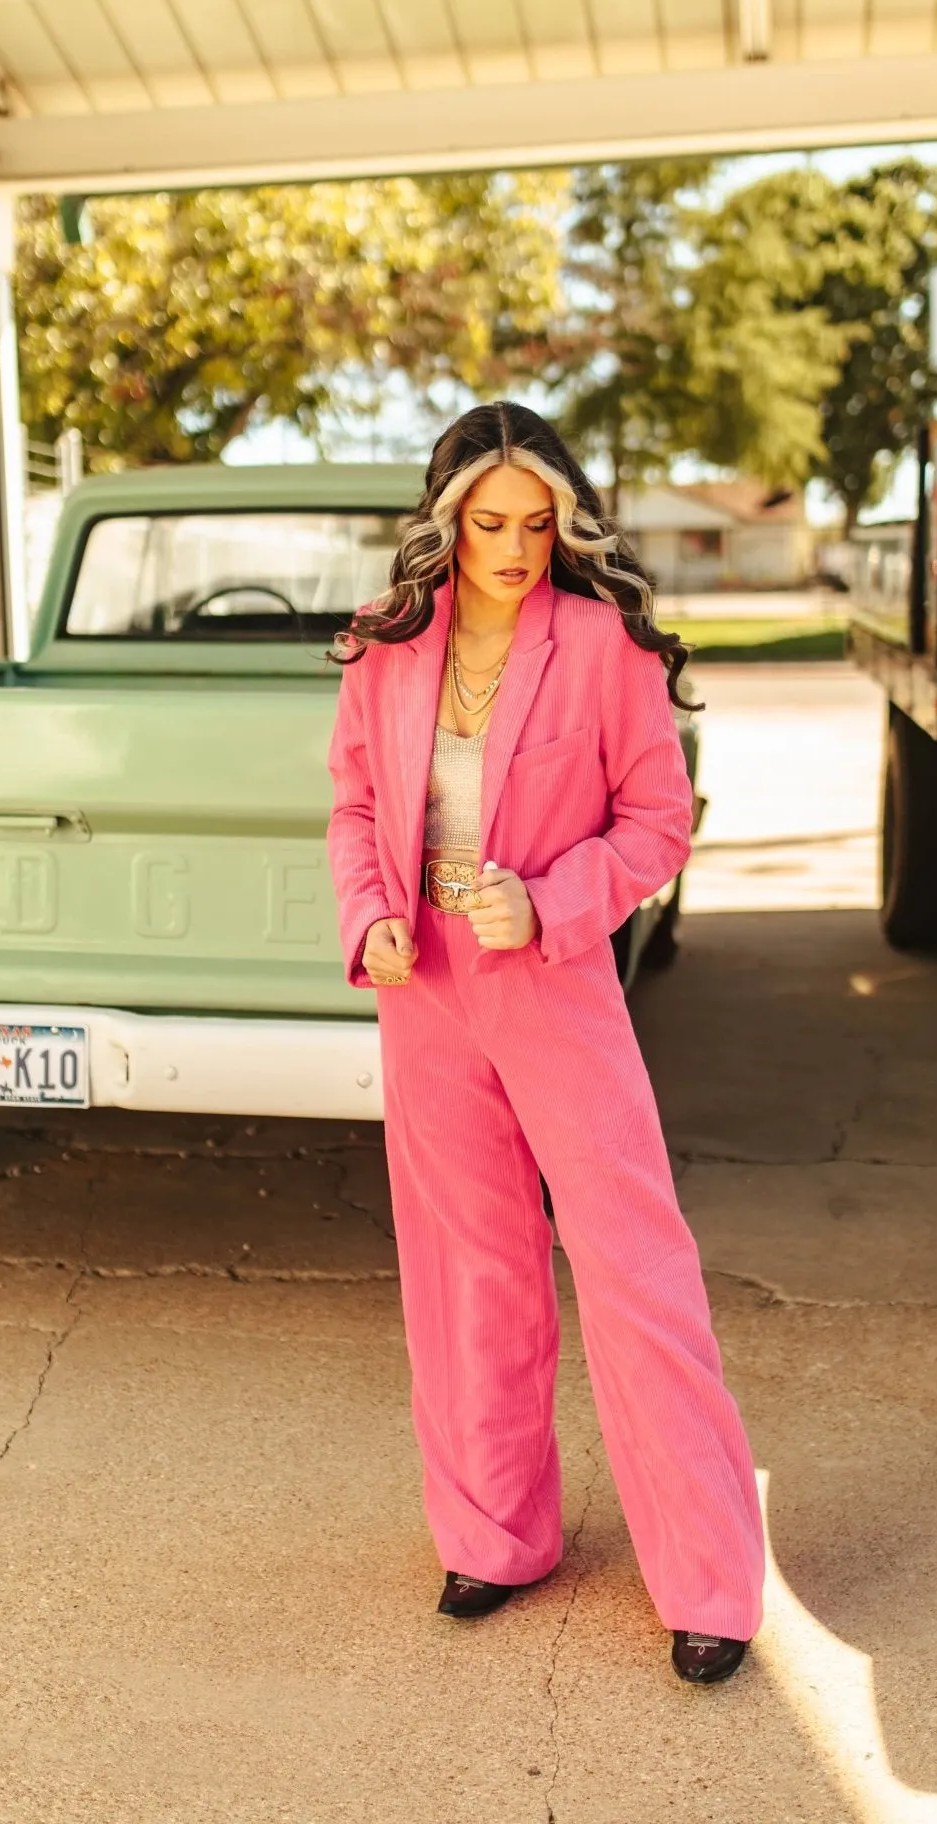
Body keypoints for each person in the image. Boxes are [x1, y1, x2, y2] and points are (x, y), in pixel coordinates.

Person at [326, 401, 765, 1685]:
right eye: (490, 522)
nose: (516, 548)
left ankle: (709, 1581)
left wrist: (554, 899)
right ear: (446, 521)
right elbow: (355, 804)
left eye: (537, 522)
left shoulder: (605, 645)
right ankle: (494, 1536)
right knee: (469, 1273)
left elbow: (658, 824)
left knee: (635, 1266)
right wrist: (369, 917)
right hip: (426, 990)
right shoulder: (383, 650)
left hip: (557, 982)